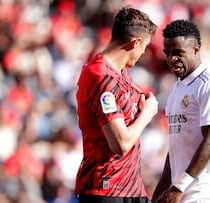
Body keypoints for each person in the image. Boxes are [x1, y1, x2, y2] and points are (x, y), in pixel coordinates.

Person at [74, 6, 158, 203]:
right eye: (144, 47)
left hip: (131, 189)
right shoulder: (100, 77)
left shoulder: (121, 74)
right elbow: (120, 143)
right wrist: (147, 114)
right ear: (135, 42)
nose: (143, 53)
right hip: (106, 188)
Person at [152, 19, 210, 203]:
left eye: (178, 52)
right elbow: (174, 151)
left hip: (206, 194)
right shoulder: (176, 89)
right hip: (182, 195)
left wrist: (178, 187)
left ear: (196, 49)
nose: (172, 59)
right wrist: (158, 195)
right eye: (168, 53)